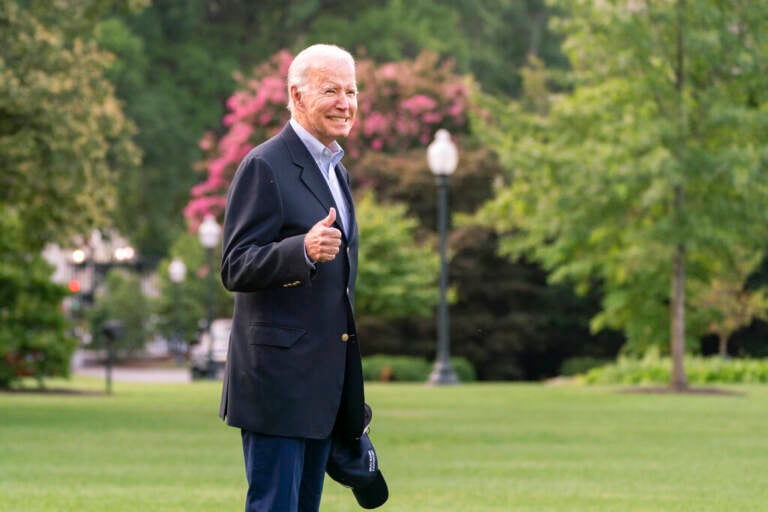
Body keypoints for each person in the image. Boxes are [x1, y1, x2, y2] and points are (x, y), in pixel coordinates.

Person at [218, 44, 365, 512]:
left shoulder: (336, 171)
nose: (345, 102)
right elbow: (235, 265)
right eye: (331, 90)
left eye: (352, 90)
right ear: (297, 96)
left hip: (322, 386)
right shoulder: (265, 164)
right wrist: (299, 249)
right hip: (277, 385)